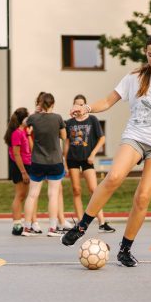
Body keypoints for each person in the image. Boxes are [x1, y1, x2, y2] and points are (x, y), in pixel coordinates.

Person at [61, 33, 151, 266]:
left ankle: (125, 249)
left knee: (143, 196)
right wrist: (86, 108)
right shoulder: (134, 78)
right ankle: (82, 226)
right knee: (114, 177)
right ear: (145, 54)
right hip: (136, 137)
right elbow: (108, 101)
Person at [64, 94, 115, 233]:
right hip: (72, 159)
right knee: (76, 190)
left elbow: (102, 138)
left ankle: (102, 222)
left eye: (81, 104)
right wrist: (64, 161)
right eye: (76, 104)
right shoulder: (69, 123)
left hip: (87, 159)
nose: (79, 106)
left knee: (94, 189)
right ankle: (80, 224)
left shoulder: (92, 119)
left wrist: (93, 154)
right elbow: (67, 143)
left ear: (85, 105)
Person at [22, 92, 67, 237]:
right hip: (55, 161)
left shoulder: (34, 118)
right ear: (53, 104)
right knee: (53, 195)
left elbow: (23, 124)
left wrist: (35, 112)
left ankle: (26, 228)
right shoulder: (58, 118)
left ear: (40, 104)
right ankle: (52, 228)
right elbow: (64, 136)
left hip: (37, 161)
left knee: (32, 195)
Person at [5, 107, 31, 236]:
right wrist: (23, 172)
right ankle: (16, 225)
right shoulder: (16, 133)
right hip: (19, 167)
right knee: (20, 195)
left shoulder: (24, 131)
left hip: (27, 165)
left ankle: (22, 222)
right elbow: (16, 154)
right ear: (23, 119)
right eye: (28, 117)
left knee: (24, 195)